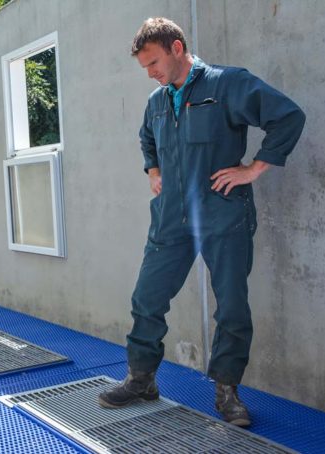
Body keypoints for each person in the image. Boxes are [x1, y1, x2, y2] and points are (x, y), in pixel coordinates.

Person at [98, 17, 305, 427]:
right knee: (147, 299)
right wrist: (153, 171)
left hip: (222, 215)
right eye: (145, 68)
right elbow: (147, 139)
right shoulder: (157, 102)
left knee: (231, 306)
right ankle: (141, 380)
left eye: (154, 63)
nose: (151, 74)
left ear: (177, 48)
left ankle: (227, 390)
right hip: (170, 219)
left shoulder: (227, 85)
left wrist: (254, 169)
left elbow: (288, 116)